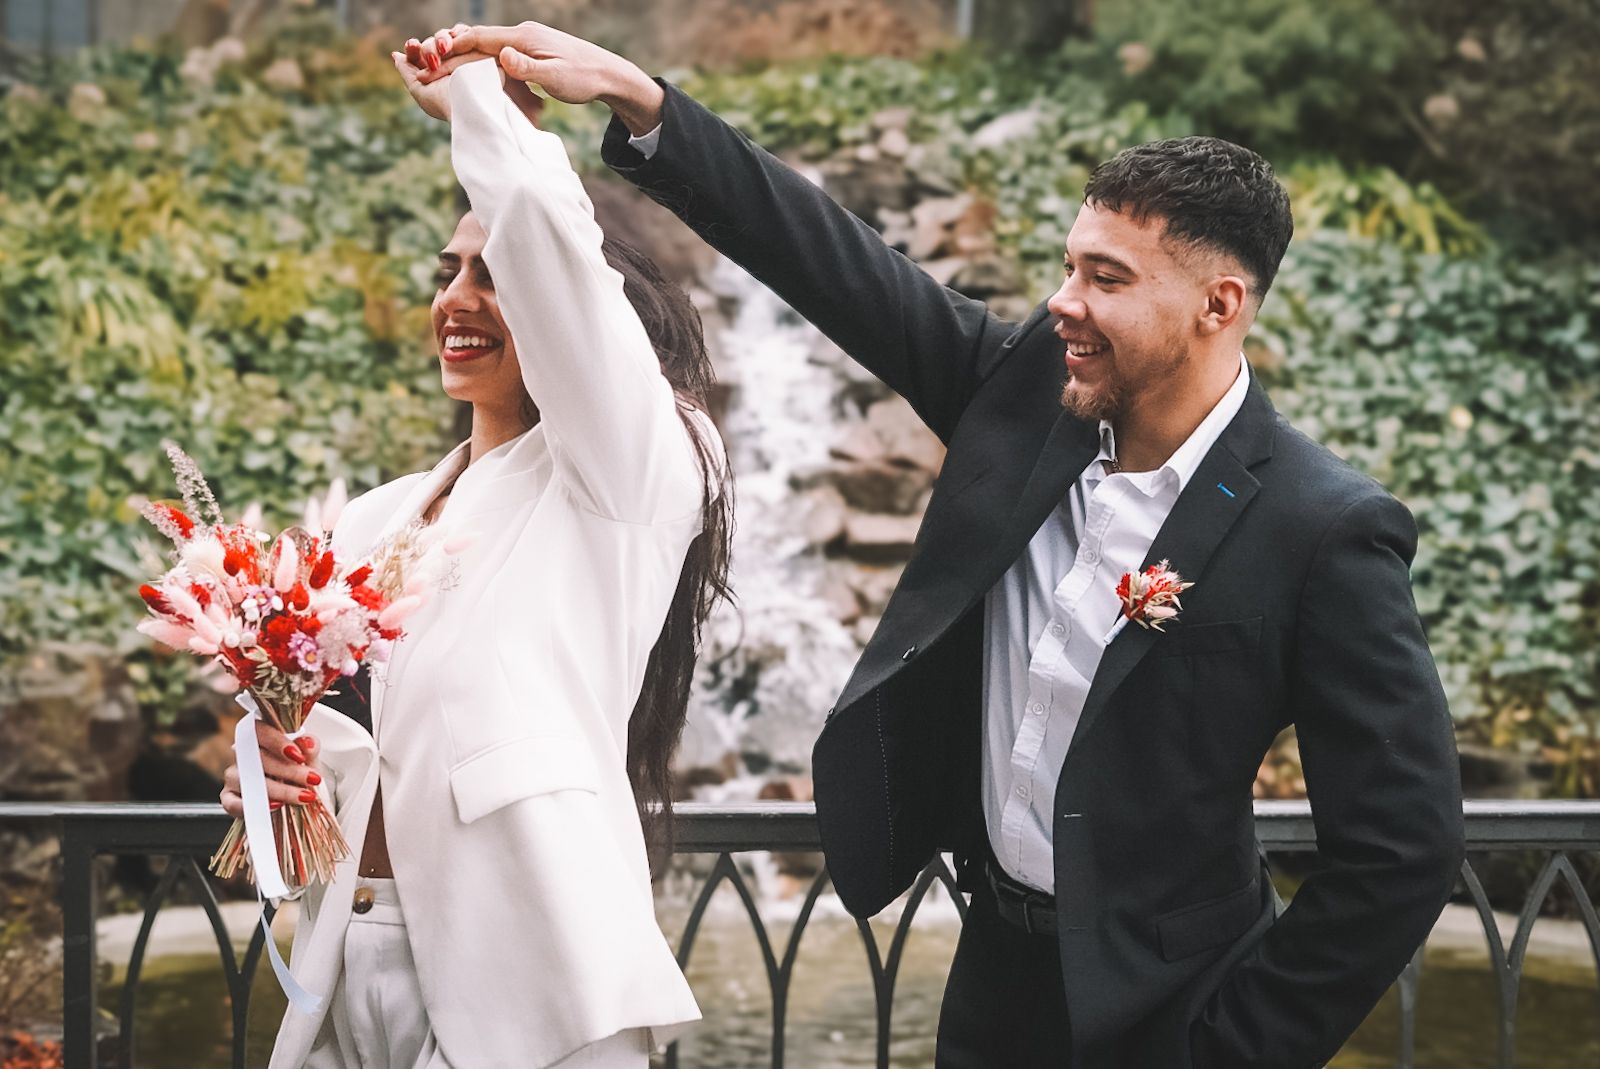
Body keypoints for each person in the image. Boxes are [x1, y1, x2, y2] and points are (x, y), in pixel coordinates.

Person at [413, 23, 1466, 1069]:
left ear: (1217, 305)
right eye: (1067, 266)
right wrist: (638, 100)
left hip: (1174, 1008)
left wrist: (1234, 1047)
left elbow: (1401, 850)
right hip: (995, 983)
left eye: (1105, 278)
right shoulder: (1016, 393)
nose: (1063, 303)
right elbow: (826, 257)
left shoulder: (1323, 529)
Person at [219, 50, 730, 1069]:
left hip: (527, 979)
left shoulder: (633, 468)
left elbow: (554, 251)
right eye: (448, 271)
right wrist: (268, 773)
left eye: (493, 276)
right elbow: (346, 744)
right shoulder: (374, 520)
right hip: (344, 956)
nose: (458, 295)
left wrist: (489, 115)